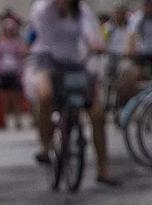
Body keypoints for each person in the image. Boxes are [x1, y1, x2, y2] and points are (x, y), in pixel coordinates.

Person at [29, 0, 118, 186]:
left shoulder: (82, 11)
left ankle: (103, 168)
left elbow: (90, 33)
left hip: (75, 63)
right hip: (47, 61)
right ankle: (46, 145)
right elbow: (41, 29)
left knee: (97, 113)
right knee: (45, 96)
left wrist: (95, 44)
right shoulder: (43, 9)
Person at [118, 0, 152, 104]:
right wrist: (129, 51)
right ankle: (125, 111)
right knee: (127, 77)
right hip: (141, 58)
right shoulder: (137, 18)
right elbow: (131, 37)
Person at [0, 17, 27, 129]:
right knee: (3, 97)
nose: (9, 31)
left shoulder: (18, 42)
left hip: (15, 71)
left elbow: (22, 56)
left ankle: (17, 119)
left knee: (16, 97)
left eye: (11, 29)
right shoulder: (0, 42)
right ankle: (3, 120)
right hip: (3, 71)